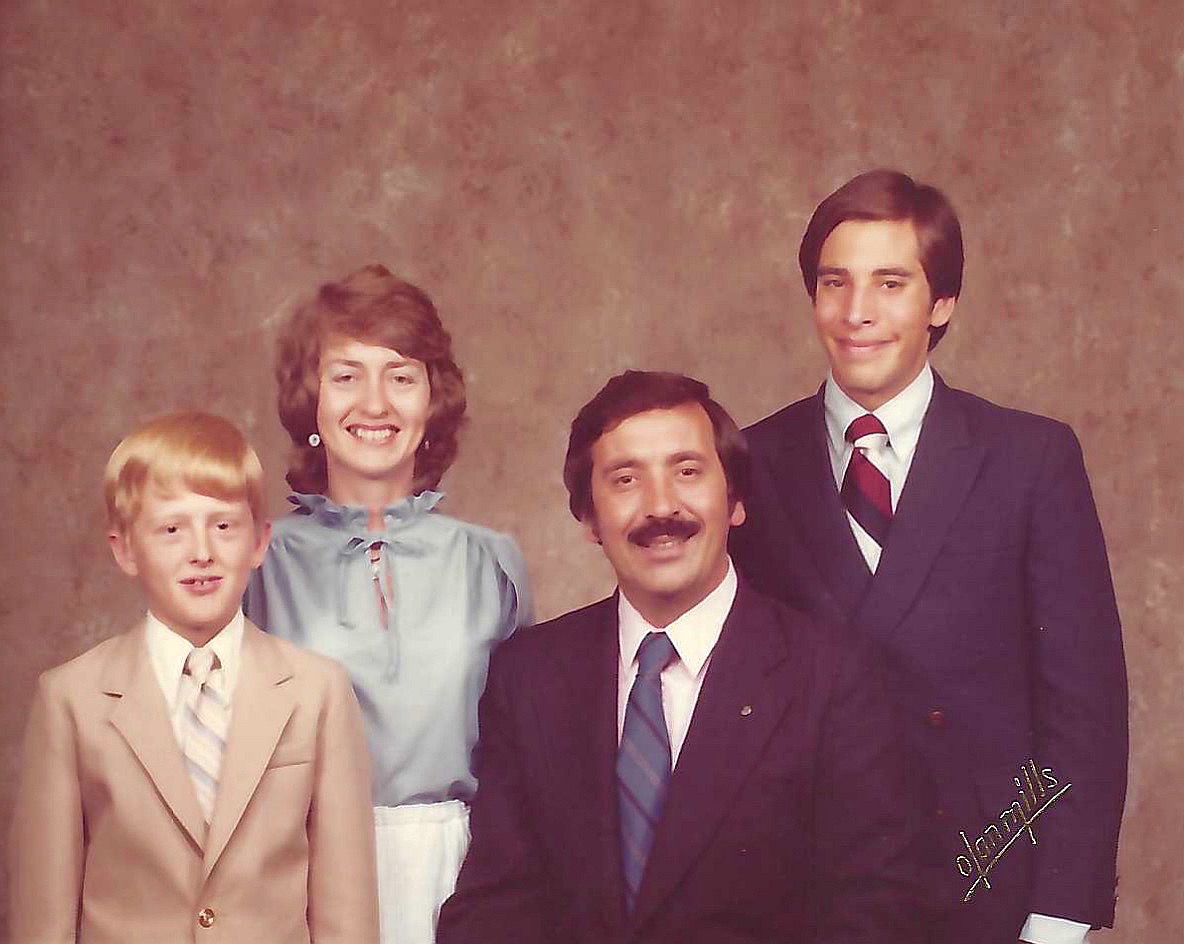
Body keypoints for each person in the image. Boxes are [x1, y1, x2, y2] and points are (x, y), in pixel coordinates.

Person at [730, 169, 1128, 944]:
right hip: (801, 895)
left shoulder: (1030, 458)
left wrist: (1061, 913)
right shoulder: (750, 460)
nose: (856, 313)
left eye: (890, 283)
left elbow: (1086, 708)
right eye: (834, 283)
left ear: (941, 302)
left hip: (989, 883)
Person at [437, 370, 929, 944]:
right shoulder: (530, 678)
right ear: (590, 519)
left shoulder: (834, 675)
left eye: (688, 472)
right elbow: (494, 908)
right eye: (625, 479)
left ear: (736, 501)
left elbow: (877, 912)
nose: (660, 506)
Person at [7, 412, 379, 944]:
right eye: (172, 528)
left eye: (223, 525)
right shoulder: (71, 699)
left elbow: (348, 915)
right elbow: (43, 920)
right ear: (125, 548)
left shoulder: (318, 692)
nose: (201, 552)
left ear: (259, 542)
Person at [245, 264, 532, 944]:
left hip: (462, 872)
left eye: (400, 376)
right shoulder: (255, 561)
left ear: (432, 402)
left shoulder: (490, 561)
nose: (374, 403)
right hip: (303, 872)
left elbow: (525, 761)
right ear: (309, 400)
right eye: (347, 376)